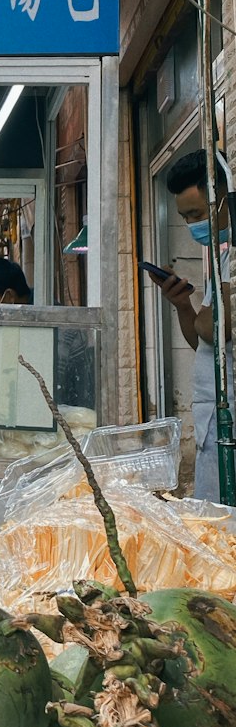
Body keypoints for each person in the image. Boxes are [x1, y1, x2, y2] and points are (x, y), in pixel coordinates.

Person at [151, 150, 234, 501]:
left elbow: (218, 328)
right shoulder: (222, 257)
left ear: (221, 199)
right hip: (211, 414)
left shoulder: (230, 260)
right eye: (185, 218)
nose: (192, 226)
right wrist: (182, 303)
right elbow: (204, 343)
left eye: (197, 214)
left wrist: (200, 314)